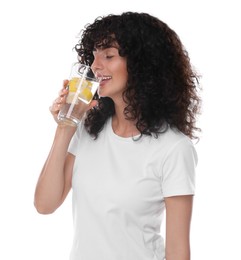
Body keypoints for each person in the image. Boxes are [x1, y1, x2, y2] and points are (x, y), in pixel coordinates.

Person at [34, 11, 201, 260]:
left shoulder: (174, 148)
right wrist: (66, 125)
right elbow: (45, 204)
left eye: (108, 56)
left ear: (141, 64)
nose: (95, 66)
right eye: (93, 56)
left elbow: (178, 253)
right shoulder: (89, 129)